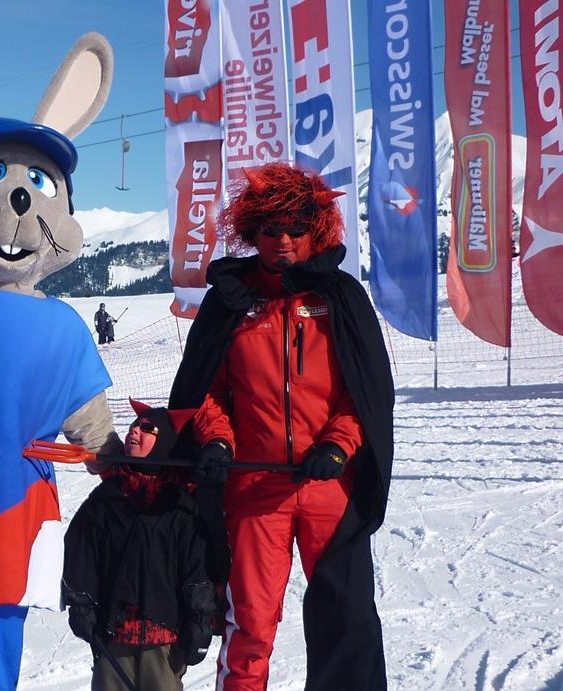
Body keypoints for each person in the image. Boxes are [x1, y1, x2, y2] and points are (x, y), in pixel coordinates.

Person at [168, 162, 394, 691]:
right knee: (249, 624)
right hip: (254, 489)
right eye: (271, 230)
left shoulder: (340, 298)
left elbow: (363, 395)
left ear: (316, 230)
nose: (284, 241)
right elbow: (206, 390)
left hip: (328, 489)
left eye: (295, 229)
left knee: (347, 619)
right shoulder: (230, 304)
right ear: (253, 232)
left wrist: (338, 448)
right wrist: (218, 438)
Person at [63, 399, 214, 691]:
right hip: (113, 636)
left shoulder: (179, 507)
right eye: (134, 425)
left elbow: (197, 569)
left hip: (164, 639)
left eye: (147, 428)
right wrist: (80, 603)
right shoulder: (107, 500)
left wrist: (200, 620)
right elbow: (81, 553)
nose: (135, 431)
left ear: (165, 443)